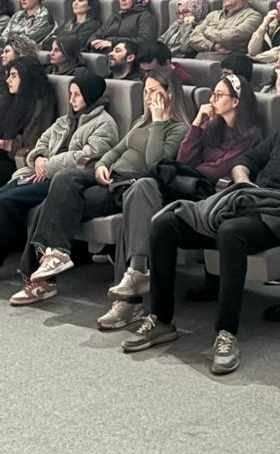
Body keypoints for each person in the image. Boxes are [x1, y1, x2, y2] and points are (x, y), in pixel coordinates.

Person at [123, 87, 280, 376]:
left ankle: (226, 333)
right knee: (165, 223)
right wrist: (244, 182)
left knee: (230, 232)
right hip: (245, 202)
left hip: (278, 216)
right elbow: (244, 162)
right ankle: (161, 319)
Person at [96, 70, 267, 330]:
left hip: (209, 195)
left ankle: (130, 300)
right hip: (186, 186)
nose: (212, 99)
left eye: (219, 95)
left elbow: (220, 169)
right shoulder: (211, 127)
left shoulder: (251, 135)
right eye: (213, 93)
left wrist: (196, 168)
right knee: (140, 189)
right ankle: (136, 274)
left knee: (139, 197)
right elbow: (184, 159)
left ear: (236, 101)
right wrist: (198, 124)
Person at [12, 67, 193, 305]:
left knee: (51, 204)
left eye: (154, 92)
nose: (148, 98)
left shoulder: (178, 128)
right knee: (64, 179)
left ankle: (41, 281)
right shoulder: (141, 123)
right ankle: (54, 256)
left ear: (170, 94)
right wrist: (101, 165)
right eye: (146, 92)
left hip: (129, 186)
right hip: (110, 176)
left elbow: (155, 163)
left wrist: (159, 122)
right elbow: (116, 151)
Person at [0, 70, 120, 296]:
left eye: (77, 95)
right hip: (37, 173)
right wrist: (38, 158)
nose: (71, 99)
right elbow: (40, 143)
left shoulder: (104, 124)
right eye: (70, 94)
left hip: (64, 182)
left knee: (6, 202)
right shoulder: (65, 120)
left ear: (90, 96)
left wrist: (48, 165)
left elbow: (87, 158)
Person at [187, 0, 263, 57]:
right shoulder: (213, 15)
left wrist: (206, 31)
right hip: (199, 61)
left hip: (227, 61)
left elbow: (231, 37)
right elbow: (193, 37)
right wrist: (212, 46)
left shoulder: (253, 16)